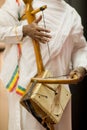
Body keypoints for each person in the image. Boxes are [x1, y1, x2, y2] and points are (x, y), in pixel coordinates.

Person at [0, 0, 87, 130]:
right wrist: (23, 30)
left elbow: (80, 48)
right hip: (28, 92)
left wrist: (81, 67)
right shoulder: (19, 4)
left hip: (58, 95)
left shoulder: (71, 15)